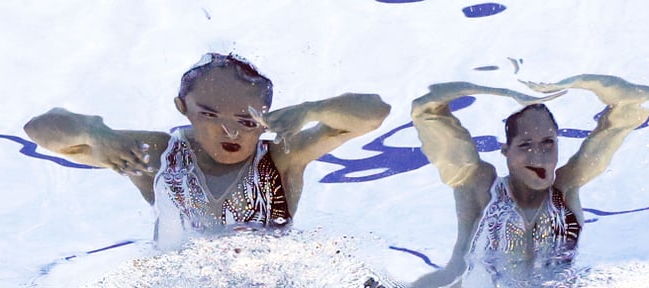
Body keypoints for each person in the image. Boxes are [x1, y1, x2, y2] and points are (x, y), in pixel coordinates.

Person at [24, 53, 390, 249]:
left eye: (246, 120)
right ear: (183, 108)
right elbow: (39, 130)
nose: (230, 131)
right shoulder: (160, 157)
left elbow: (374, 113)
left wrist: (312, 109)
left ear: (265, 118)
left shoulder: (281, 158)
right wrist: (94, 130)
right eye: (211, 115)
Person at [404, 75, 649, 288]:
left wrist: (569, 82)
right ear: (506, 151)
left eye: (548, 142)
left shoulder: (565, 190)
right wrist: (503, 90)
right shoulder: (479, 187)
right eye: (525, 145)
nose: (539, 155)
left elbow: (634, 105)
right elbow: (426, 110)